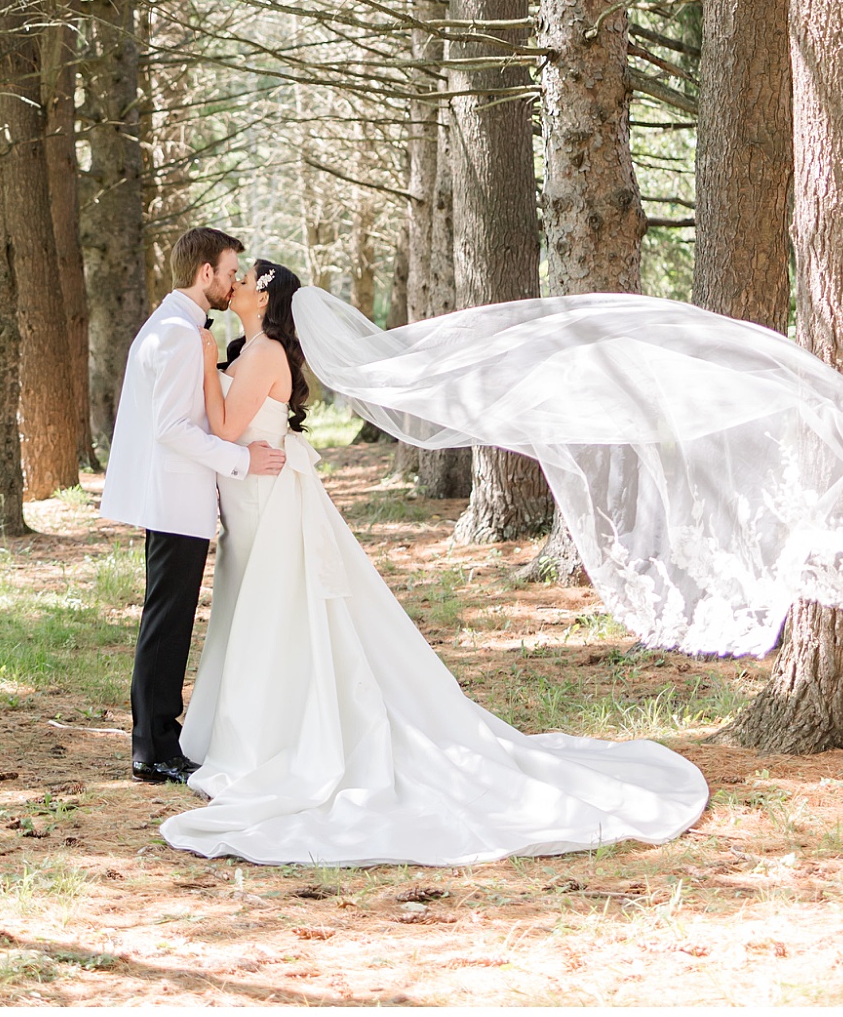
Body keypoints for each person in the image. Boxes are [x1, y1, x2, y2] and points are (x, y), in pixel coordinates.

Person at [160, 260, 710, 866]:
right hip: (251, 495)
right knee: (256, 604)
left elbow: (224, 424)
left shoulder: (261, 352)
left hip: (268, 498)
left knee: (278, 607)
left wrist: (202, 357)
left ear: (263, 299)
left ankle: (281, 732)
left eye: (245, 278)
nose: (232, 284)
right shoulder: (251, 346)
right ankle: (252, 726)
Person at [99, 227, 285, 784]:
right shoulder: (179, 334)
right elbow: (173, 429)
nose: (233, 283)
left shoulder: (173, 327)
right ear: (206, 273)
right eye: (230, 272)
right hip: (177, 496)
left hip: (173, 497)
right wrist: (241, 461)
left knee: (169, 619)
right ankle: (154, 748)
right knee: (167, 621)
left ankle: (156, 740)